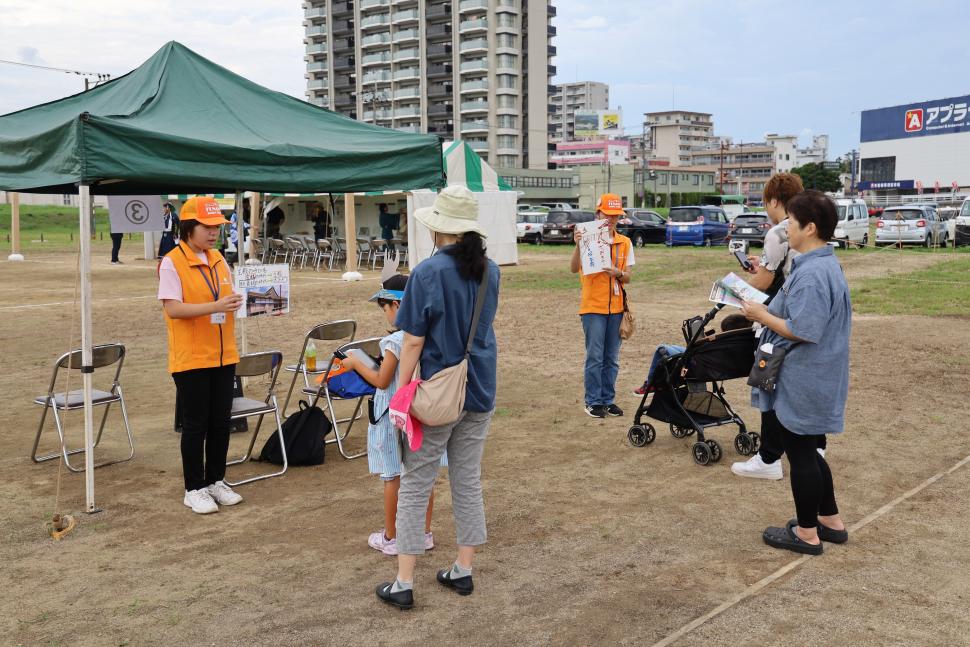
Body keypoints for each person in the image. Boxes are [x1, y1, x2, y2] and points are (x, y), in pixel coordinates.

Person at [375, 185, 499, 610]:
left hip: (436, 394)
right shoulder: (491, 270)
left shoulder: (428, 273)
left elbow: (412, 342)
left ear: (439, 229)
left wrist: (400, 395)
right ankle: (463, 569)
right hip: (480, 386)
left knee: (415, 483)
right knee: (467, 480)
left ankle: (404, 581)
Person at [740, 190, 850, 555]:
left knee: (801, 454)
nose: (786, 226)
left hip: (805, 376)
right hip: (814, 374)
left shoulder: (815, 273)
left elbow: (805, 328)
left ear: (811, 227)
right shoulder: (816, 264)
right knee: (809, 451)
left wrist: (762, 315)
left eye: (792, 221)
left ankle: (806, 533)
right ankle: (830, 521)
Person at [340, 273, 446, 556]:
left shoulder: (396, 341)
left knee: (393, 476)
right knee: (423, 474)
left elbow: (381, 381)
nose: (385, 313)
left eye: (384, 307)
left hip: (393, 414)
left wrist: (355, 364)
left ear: (397, 306)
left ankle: (391, 537)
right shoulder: (430, 332)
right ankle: (423, 533)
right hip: (422, 411)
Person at [157, 196, 244, 515]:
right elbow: (173, 308)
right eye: (207, 228)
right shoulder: (171, 261)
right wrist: (216, 307)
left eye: (217, 228)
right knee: (196, 424)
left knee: (221, 421)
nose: (213, 234)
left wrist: (236, 302)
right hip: (191, 357)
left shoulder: (219, 258)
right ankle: (193, 487)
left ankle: (216, 480)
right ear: (189, 227)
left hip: (223, 354)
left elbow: (224, 298)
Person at [731, 172, 818, 481]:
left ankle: (768, 458)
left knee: (767, 384)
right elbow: (781, 269)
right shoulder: (808, 229)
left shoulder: (777, 232)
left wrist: (735, 292)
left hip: (775, 321)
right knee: (801, 386)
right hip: (805, 317)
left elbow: (765, 281)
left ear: (774, 200)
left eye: (766, 201)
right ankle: (816, 447)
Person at [570, 193, 635, 419]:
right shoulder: (586, 237)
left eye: (616, 215)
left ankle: (608, 400)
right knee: (595, 356)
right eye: (607, 214)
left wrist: (619, 273)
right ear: (597, 213)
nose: (611, 219)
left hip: (616, 308)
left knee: (611, 358)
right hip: (592, 308)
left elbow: (628, 277)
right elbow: (573, 268)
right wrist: (578, 245)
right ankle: (593, 401)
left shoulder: (625, 242)